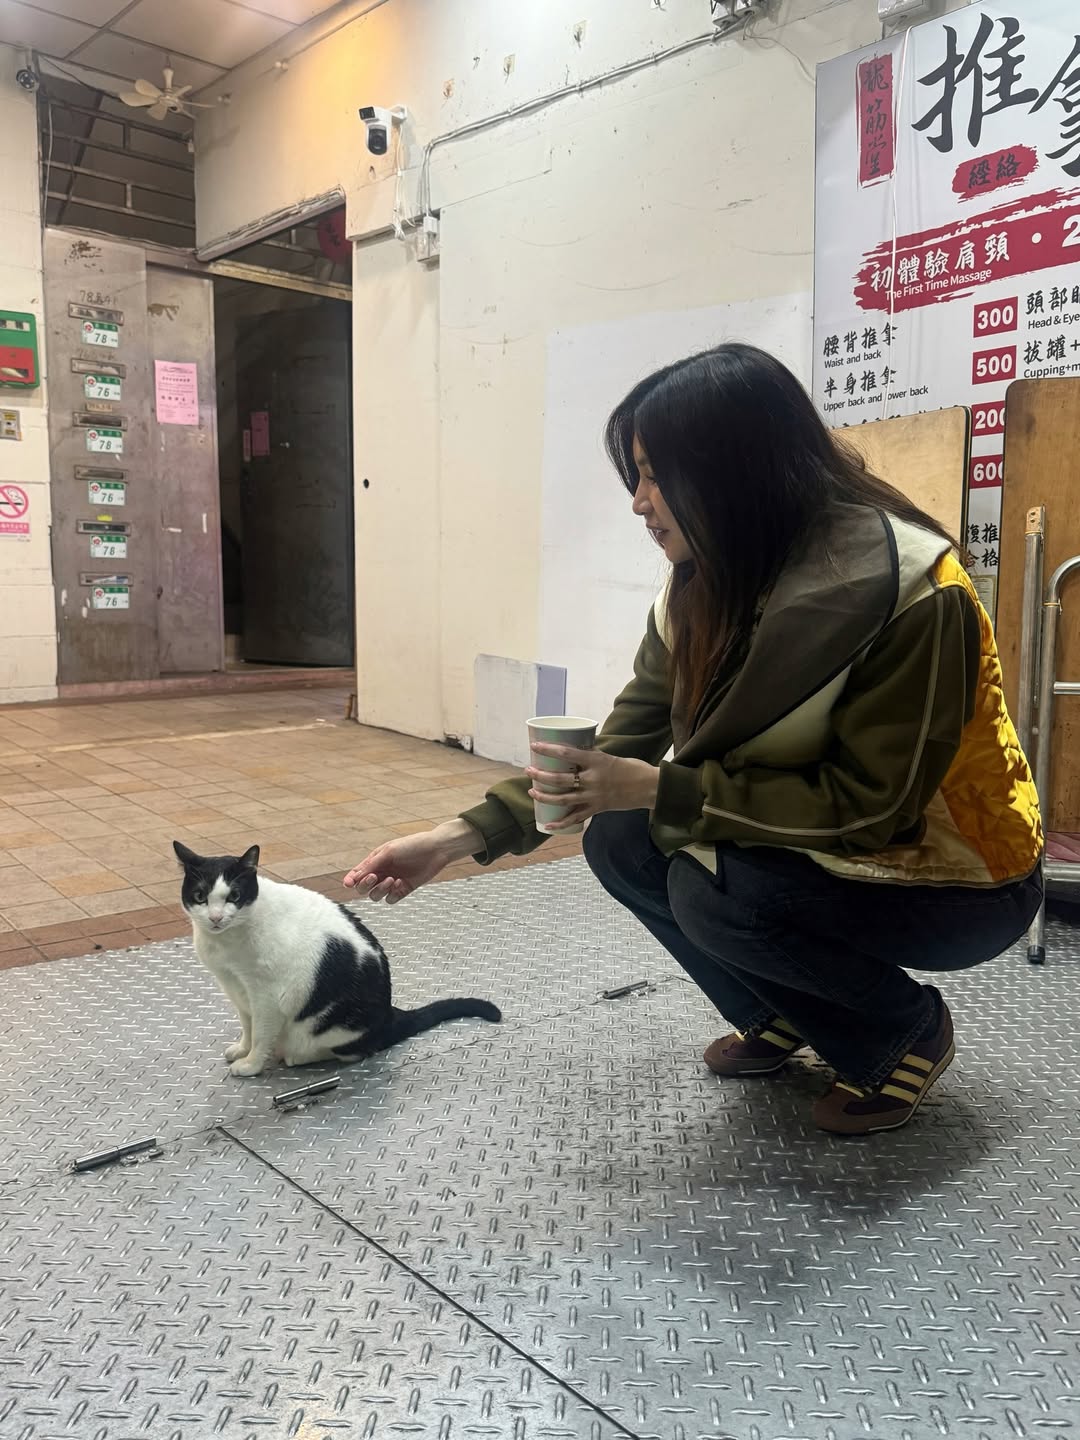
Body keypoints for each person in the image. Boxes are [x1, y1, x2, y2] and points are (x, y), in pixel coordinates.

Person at [344, 343, 1043, 1137]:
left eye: (654, 476)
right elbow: (617, 745)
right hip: (825, 851)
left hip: (961, 879)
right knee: (619, 837)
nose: (638, 503)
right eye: (636, 477)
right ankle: (781, 1011)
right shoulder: (706, 583)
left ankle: (900, 1033)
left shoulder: (913, 592)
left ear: (736, 470)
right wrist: (453, 839)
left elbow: (871, 810)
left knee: (716, 891)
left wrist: (660, 788)